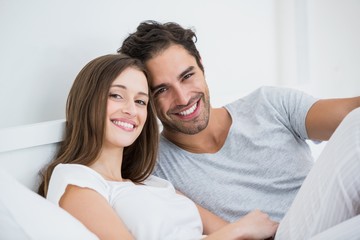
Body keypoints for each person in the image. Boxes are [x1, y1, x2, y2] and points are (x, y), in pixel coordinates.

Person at [118, 20, 360, 238]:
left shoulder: (269, 105)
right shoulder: (155, 167)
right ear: (146, 97)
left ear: (201, 65)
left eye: (187, 76)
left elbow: (348, 115)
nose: (182, 98)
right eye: (162, 90)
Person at [38, 54, 279, 240]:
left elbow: (233, 231)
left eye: (140, 101)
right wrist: (236, 231)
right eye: (116, 96)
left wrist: (238, 231)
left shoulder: (153, 182)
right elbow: (235, 231)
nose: (131, 110)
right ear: (88, 101)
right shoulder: (74, 178)